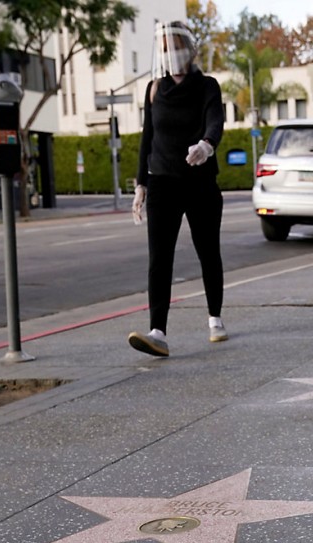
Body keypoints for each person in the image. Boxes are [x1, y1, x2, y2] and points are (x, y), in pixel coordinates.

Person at [127, 21, 226, 358]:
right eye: (166, 50)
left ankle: (215, 318)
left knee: (207, 251)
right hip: (162, 182)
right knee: (159, 258)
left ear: (190, 50)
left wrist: (206, 145)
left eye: (177, 48)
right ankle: (158, 332)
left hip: (200, 181)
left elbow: (216, 120)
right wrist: (140, 184)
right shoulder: (154, 89)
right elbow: (147, 136)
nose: (172, 55)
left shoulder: (207, 86)